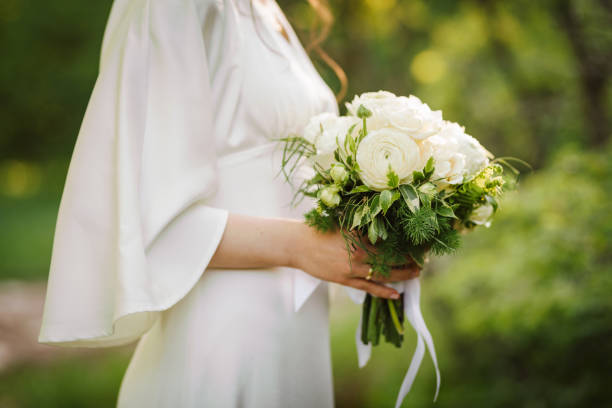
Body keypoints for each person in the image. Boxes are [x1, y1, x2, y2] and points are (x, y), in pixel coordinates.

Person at [38, 0, 419, 406]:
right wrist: (301, 245)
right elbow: (146, 218)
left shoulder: (263, 8)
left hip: (298, 325)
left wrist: (388, 219)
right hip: (227, 328)